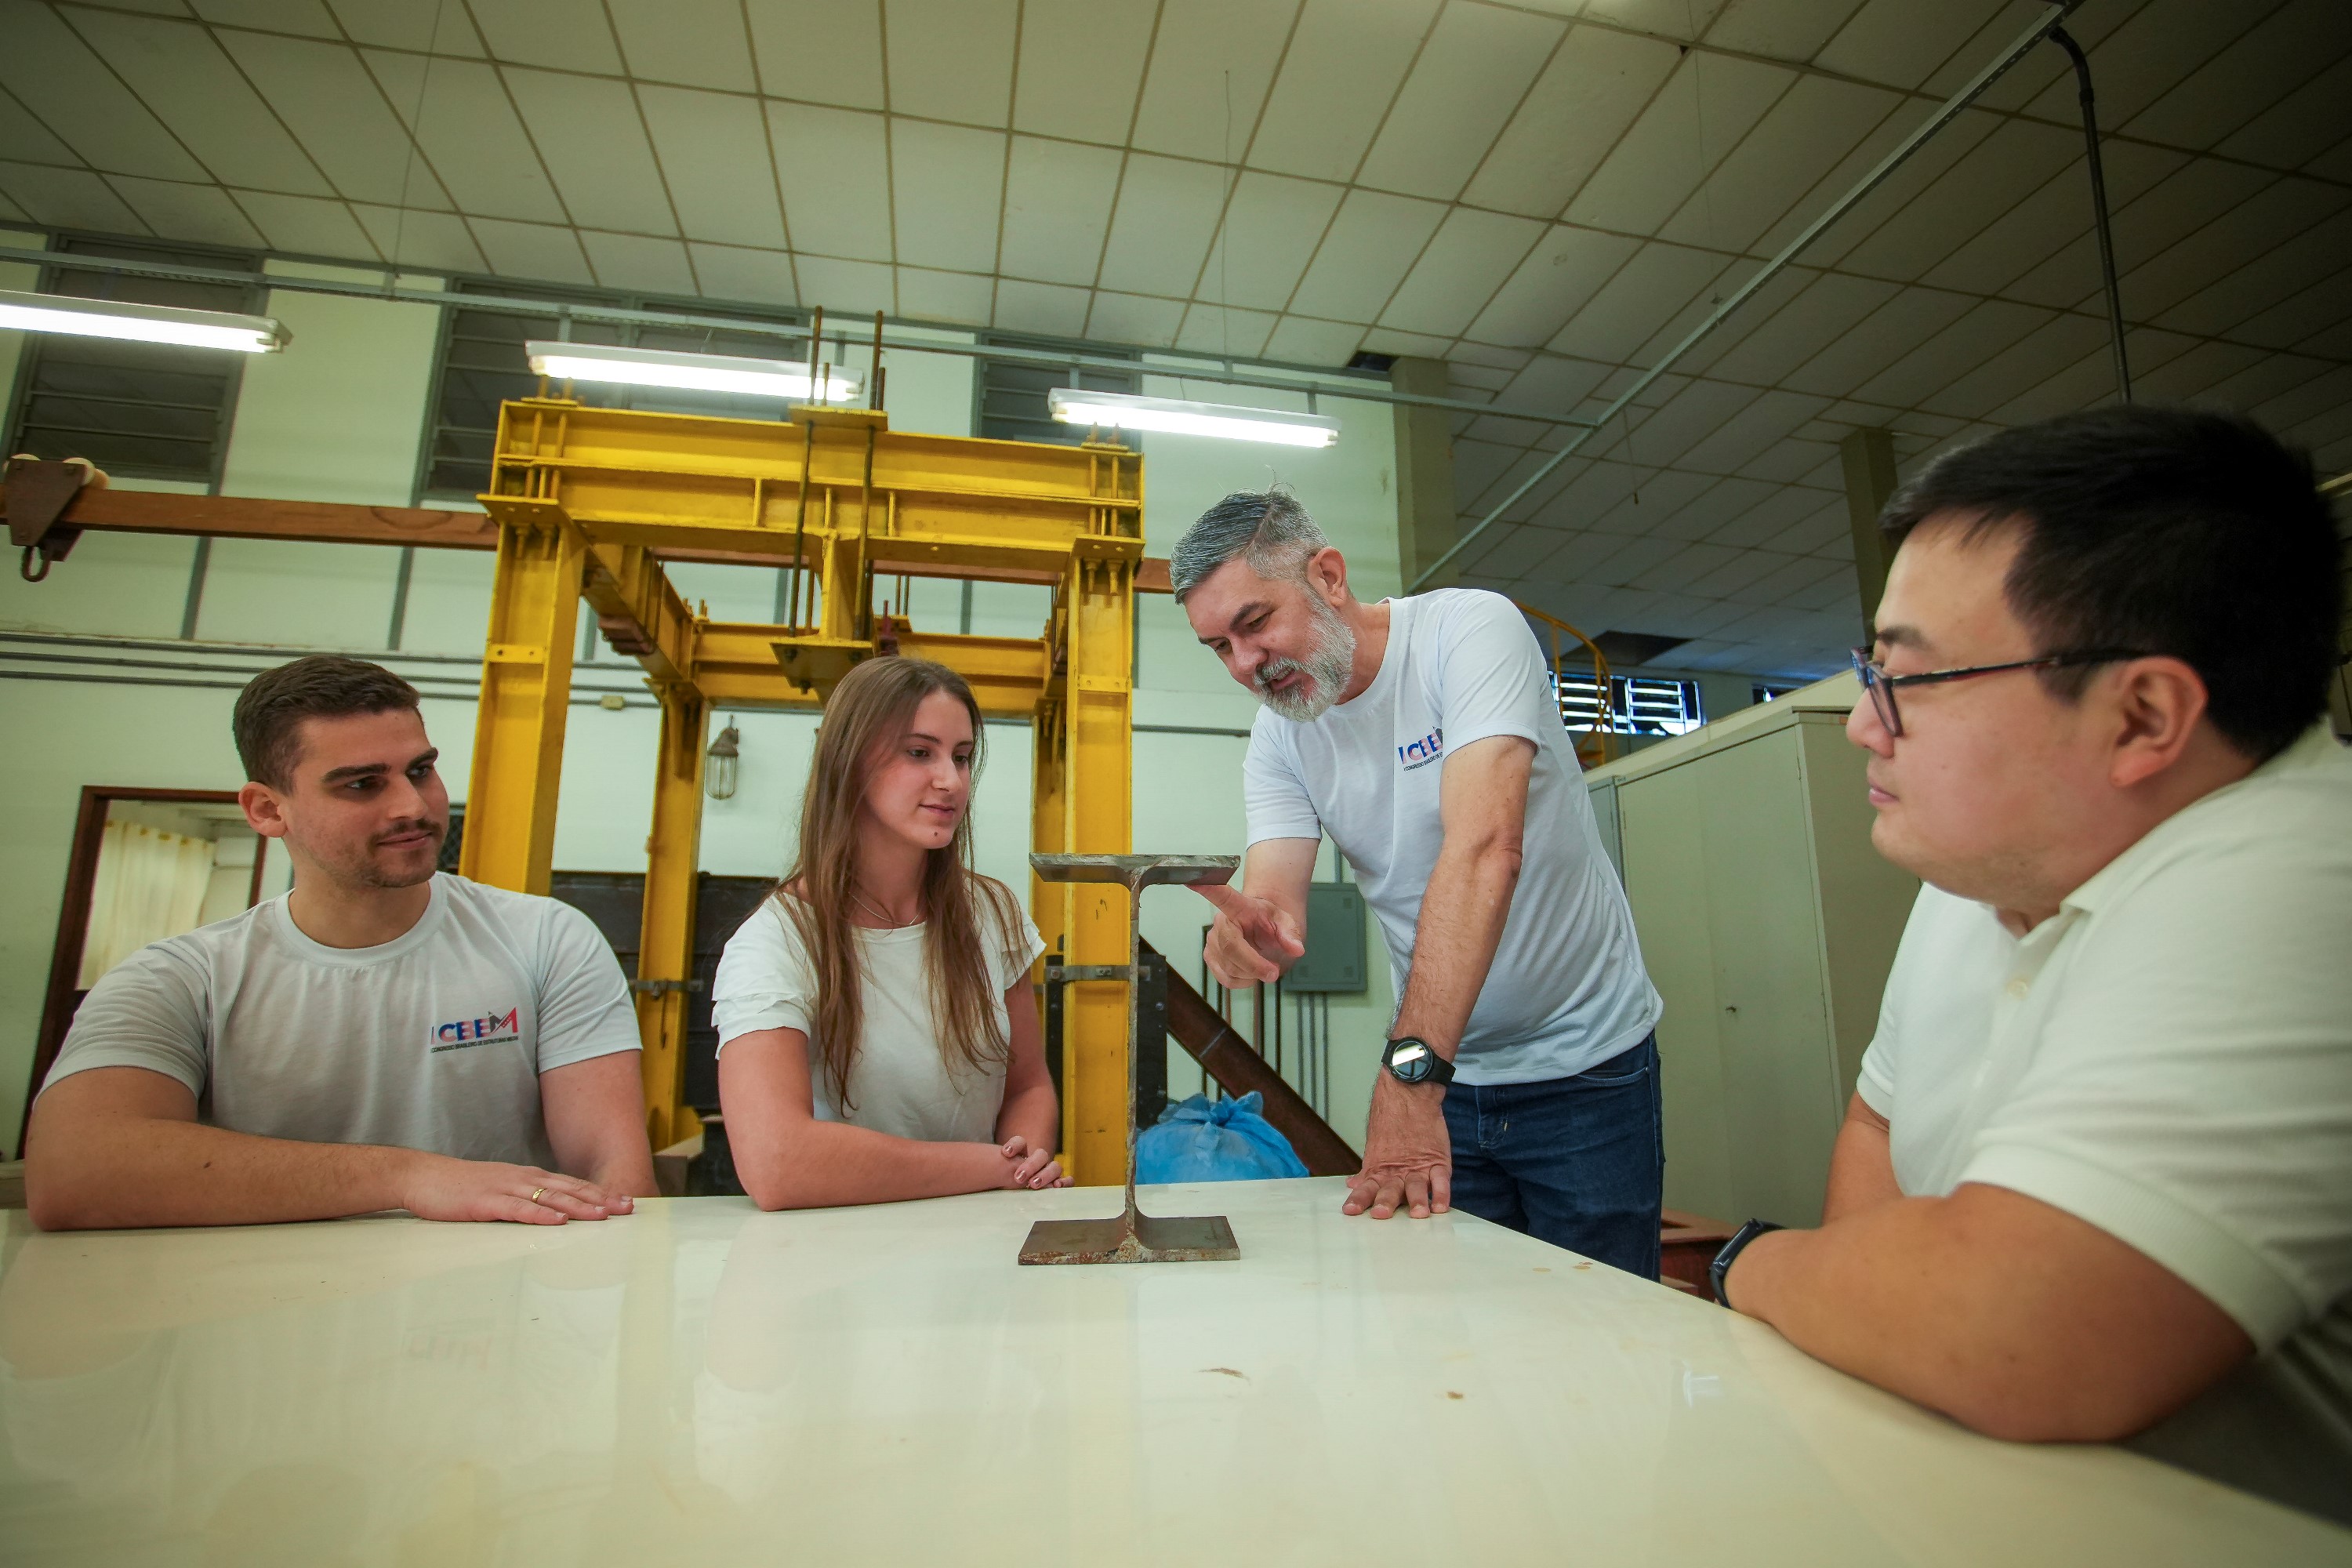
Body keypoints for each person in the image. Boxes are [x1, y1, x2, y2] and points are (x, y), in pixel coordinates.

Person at [1711, 405, 2350, 1523]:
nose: (1865, 724)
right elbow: (1878, 1126)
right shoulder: (1983, 875)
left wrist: (1750, 1266)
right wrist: (1879, 1310)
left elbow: (2013, 1327)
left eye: (1903, 678)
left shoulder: (2306, 868)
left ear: (2142, 713)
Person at [1172, 489, 1665, 1276]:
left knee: (1603, 1335)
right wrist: (1247, 933)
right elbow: (1274, 895)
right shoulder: (1282, 736)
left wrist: (1409, 1081)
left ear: (1329, 575)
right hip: (1445, 1073)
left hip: (1584, 1066)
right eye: (1218, 647)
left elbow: (1484, 849)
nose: (1244, 665)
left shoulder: (1468, 633)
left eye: (1255, 623)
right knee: (1459, 1334)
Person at [24, 655, 656, 1231]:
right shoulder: (183, 980)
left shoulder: (545, 938)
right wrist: (408, 1176)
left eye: (421, 770)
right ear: (268, 810)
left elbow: (615, 1174)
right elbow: (72, 1172)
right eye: (362, 784)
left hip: (494, 1317)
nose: (413, 805)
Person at [713, 656, 1067, 1207]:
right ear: (850, 761)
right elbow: (776, 1162)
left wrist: (1022, 1177)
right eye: (918, 752)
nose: (950, 780)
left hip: (978, 1238)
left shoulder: (992, 913)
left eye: (963, 757)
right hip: (837, 1258)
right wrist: (989, 1169)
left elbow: (1028, 1086)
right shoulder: (775, 943)